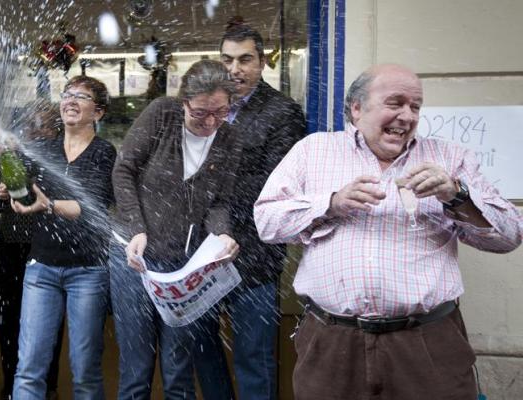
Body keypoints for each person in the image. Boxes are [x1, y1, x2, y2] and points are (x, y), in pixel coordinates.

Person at [253, 64, 522, 400]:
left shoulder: (449, 158)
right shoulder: (313, 151)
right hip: (332, 340)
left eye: (415, 106)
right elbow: (266, 221)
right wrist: (331, 203)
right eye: (395, 103)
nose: (407, 116)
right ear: (356, 108)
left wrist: (457, 195)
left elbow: (509, 236)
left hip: (426, 343)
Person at [110, 59, 242, 400]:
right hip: (133, 259)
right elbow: (123, 169)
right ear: (184, 102)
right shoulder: (161, 114)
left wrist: (222, 234)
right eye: (200, 113)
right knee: (137, 368)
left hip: (183, 267)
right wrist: (137, 228)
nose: (210, 122)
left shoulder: (228, 138)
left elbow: (219, 201)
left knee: (178, 367)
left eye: (220, 112)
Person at [191, 23, 306, 400]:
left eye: (245, 59)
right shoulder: (206, 107)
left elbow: (273, 186)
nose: (235, 69)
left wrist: (211, 192)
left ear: (262, 63)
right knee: (203, 350)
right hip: (200, 256)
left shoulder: (283, 112)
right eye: (227, 59)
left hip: (253, 256)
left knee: (253, 359)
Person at [1, 75, 117, 400]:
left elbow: (90, 205)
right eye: (67, 95)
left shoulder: (104, 153)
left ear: (99, 112)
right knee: (29, 368)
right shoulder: (44, 149)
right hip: (41, 268)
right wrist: (9, 185)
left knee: (84, 371)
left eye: (81, 96)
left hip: (88, 271)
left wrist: (47, 204)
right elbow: (20, 186)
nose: (70, 101)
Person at [0, 100, 63, 400]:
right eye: (33, 125)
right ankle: (12, 383)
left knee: (46, 324)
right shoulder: (9, 151)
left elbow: (57, 194)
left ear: (56, 129)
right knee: (8, 318)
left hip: (45, 249)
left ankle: (47, 386)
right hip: (11, 246)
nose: (38, 130)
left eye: (45, 125)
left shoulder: (59, 154)